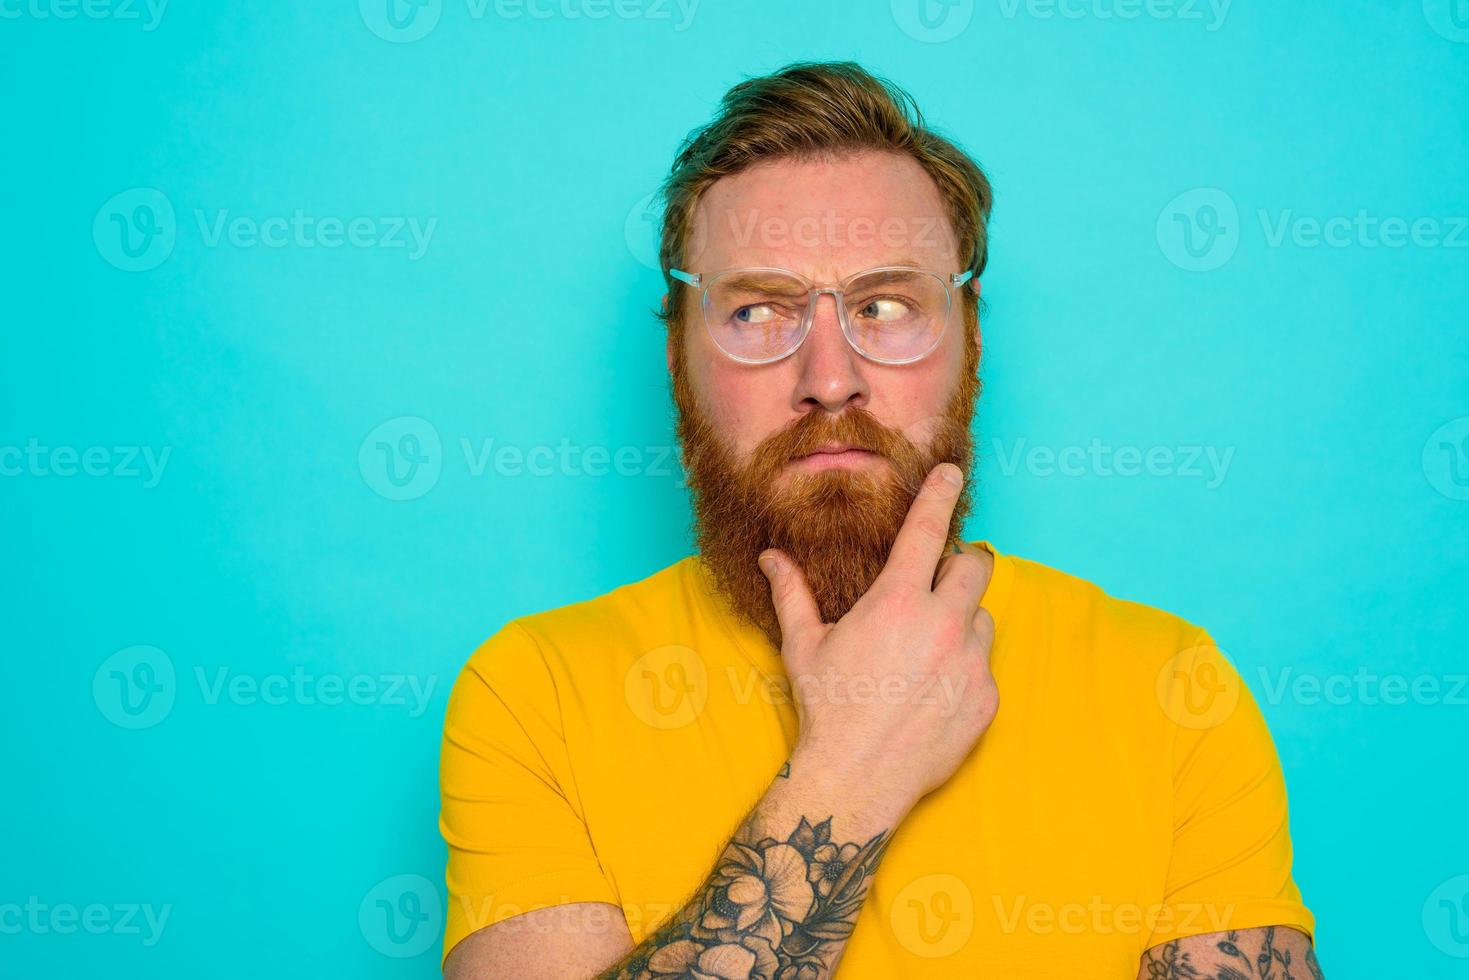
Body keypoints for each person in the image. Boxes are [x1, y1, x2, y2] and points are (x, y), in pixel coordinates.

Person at [438, 61, 1322, 979]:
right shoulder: (532, 695)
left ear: (971, 340)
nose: (829, 377)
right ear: (676, 356)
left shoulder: (1172, 690)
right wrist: (850, 775)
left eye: (887, 306)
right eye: (755, 311)